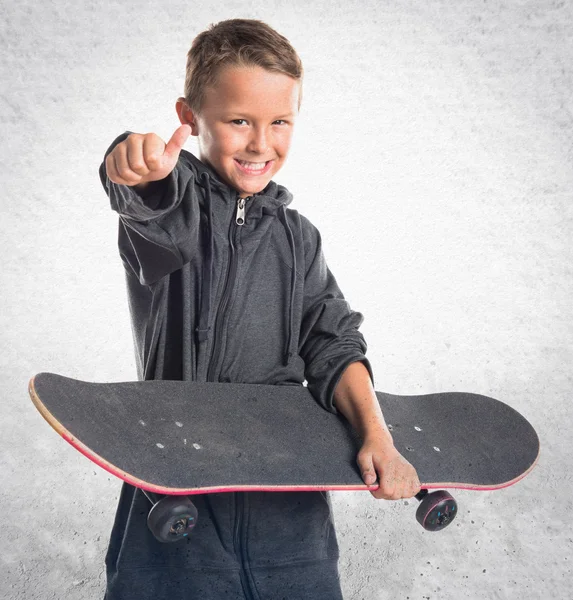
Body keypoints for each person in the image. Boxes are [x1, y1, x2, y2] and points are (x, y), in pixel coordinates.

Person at [98, 17, 420, 600]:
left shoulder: (300, 239)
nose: (260, 143)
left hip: (290, 510)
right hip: (176, 492)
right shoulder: (178, 208)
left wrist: (378, 434)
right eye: (239, 120)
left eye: (280, 122)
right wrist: (133, 168)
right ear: (190, 117)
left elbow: (333, 342)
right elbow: (146, 198)